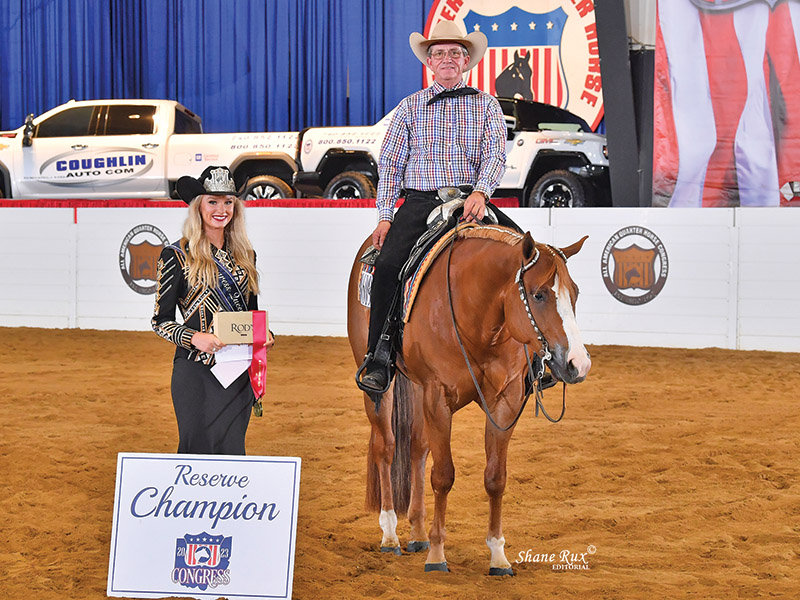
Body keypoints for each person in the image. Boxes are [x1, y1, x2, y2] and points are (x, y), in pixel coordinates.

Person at [357, 20, 521, 393]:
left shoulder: (487, 105)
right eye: (439, 53)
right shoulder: (409, 108)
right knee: (387, 267)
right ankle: (379, 355)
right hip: (420, 202)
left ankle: (536, 356)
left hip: (471, 198)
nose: (447, 59)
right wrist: (385, 216)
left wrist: (481, 191)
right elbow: (391, 166)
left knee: (526, 257)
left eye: (454, 53)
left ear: (467, 61)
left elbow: (495, 155)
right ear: (429, 62)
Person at [152, 165, 273, 454]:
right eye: (213, 201)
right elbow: (160, 321)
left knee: (232, 449)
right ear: (198, 207)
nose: (222, 209)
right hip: (194, 370)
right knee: (195, 448)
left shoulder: (246, 255)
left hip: (237, 369)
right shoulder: (177, 255)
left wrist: (264, 333)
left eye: (228, 202)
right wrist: (195, 338)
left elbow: (251, 312)